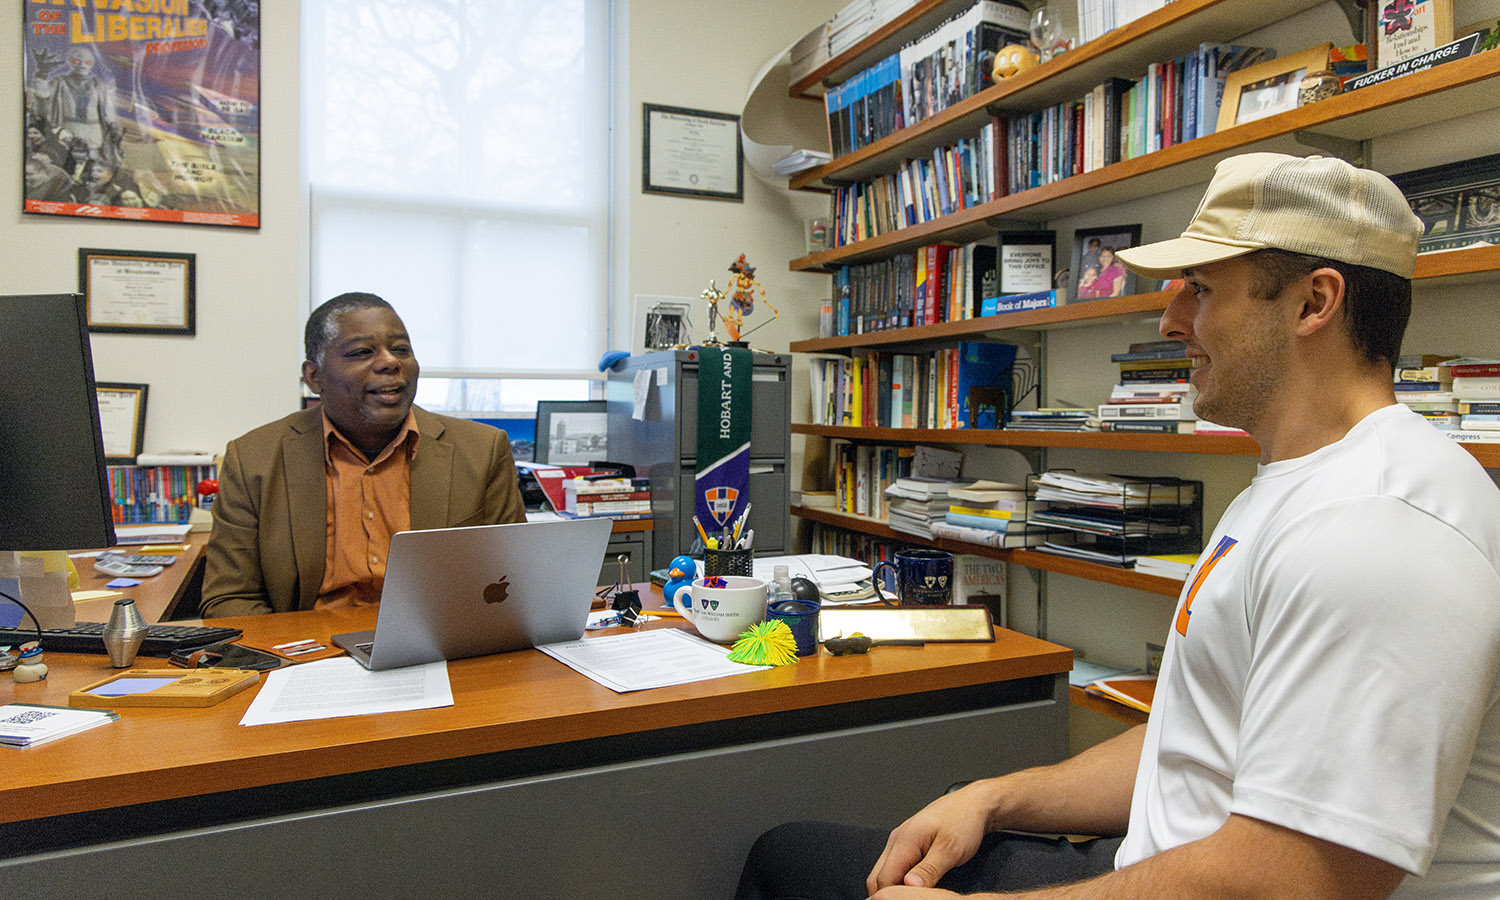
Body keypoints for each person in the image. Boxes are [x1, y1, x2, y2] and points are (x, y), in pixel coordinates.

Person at [734, 152, 1500, 900]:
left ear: (1313, 302)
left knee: (784, 863)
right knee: (829, 841)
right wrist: (996, 798)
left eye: (1199, 289)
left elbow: (1295, 878)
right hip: (1158, 862)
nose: (1170, 319)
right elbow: (1193, 745)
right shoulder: (1292, 485)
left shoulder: (1380, 528)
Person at [200, 292, 526, 617]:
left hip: (443, 645)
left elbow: (518, 583)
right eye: (361, 352)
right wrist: (299, 653)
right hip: (311, 654)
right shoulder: (253, 458)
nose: (390, 362)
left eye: (401, 349)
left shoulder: (482, 449)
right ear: (314, 377)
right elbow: (229, 600)